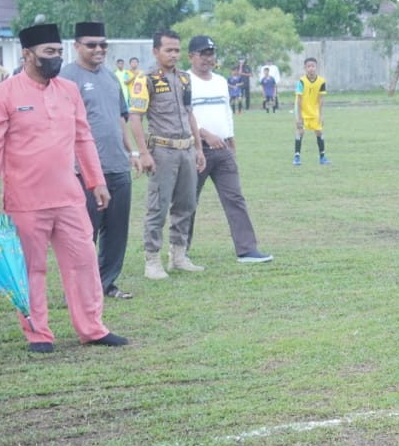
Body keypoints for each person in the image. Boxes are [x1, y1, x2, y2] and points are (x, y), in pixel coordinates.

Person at [0, 22, 128, 352]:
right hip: (25, 200)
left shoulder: (68, 91)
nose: (55, 58)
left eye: (59, 52)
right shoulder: (6, 94)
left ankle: (92, 328)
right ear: (28, 54)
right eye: (48, 53)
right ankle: (38, 333)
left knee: (83, 262)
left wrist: (96, 181)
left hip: (70, 196)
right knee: (32, 269)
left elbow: (84, 137)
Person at [60, 22, 140, 300]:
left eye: (103, 44)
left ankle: (106, 283)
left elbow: (120, 118)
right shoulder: (65, 78)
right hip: (83, 171)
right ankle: (82, 289)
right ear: (77, 46)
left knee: (117, 231)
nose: (98, 49)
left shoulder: (110, 77)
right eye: (92, 44)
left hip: (117, 166)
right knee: (85, 233)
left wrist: (133, 153)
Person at [185, 35, 273, 264]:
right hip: (197, 149)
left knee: (235, 198)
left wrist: (231, 141)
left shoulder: (221, 81)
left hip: (222, 148)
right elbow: (183, 116)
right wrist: (204, 135)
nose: (207, 58)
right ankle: (179, 250)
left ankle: (247, 249)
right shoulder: (184, 81)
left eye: (210, 54)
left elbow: (226, 113)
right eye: (202, 54)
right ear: (191, 56)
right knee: (188, 201)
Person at [128, 30, 207, 279]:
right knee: (158, 207)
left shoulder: (184, 78)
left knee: (187, 204)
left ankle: (178, 255)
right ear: (155, 51)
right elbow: (135, 117)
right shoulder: (146, 79)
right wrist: (143, 153)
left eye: (176, 50)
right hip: (161, 150)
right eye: (168, 50)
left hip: (186, 149)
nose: (173, 54)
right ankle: (152, 259)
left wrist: (198, 148)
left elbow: (189, 113)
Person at [293, 57, 328, 165]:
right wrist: (299, 116)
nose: (311, 68)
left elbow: (321, 99)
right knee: (300, 131)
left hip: (314, 110)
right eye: (308, 66)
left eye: (313, 66)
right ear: (305, 68)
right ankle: (297, 158)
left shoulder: (321, 81)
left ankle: (322, 157)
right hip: (302, 110)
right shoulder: (301, 81)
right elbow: (298, 99)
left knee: (319, 131)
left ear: (316, 67)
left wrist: (321, 115)